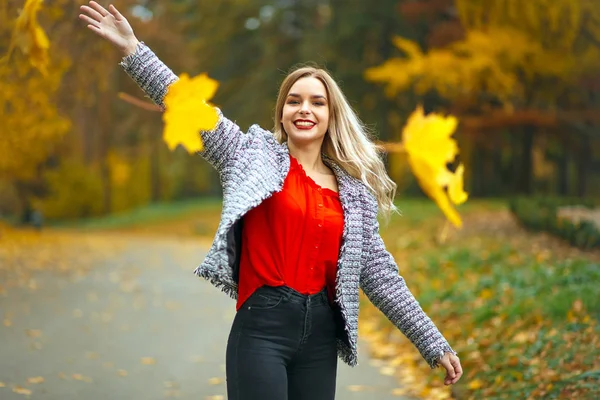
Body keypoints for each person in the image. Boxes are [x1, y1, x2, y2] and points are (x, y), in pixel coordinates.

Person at [79, 2, 463, 399]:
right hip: (261, 329)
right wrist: (133, 49)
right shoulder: (251, 156)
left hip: (320, 337)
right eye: (294, 101)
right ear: (281, 114)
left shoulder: (354, 193)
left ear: (332, 115)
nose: (304, 109)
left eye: (317, 102)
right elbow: (192, 111)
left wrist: (433, 343)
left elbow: (381, 275)